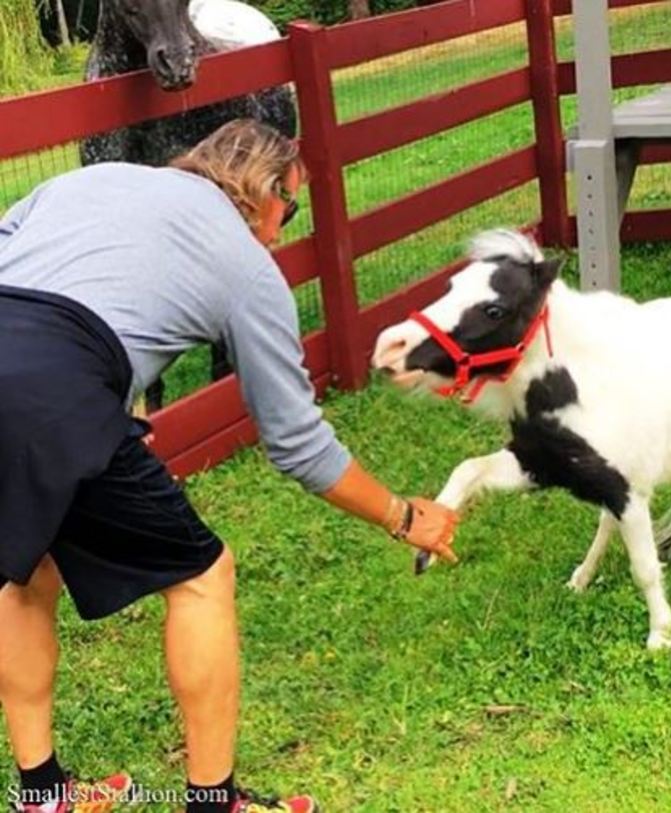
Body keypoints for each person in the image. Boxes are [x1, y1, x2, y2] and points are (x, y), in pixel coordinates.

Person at [0, 119, 459, 813]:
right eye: (291, 210)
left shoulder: (85, 181)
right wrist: (402, 515)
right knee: (201, 576)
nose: (285, 228)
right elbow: (297, 442)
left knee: (28, 568)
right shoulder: (244, 264)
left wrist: (95, 402)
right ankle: (214, 803)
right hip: (58, 391)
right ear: (265, 193)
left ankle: (43, 796)